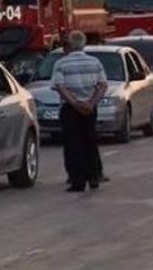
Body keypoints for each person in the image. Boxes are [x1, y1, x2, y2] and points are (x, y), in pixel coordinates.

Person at [52, 30, 107, 192]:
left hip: (70, 109)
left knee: (73, 144)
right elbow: (103, 85)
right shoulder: (95, 62)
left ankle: (78, 180)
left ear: (69, 44)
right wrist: (91, 103)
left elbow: (60, 87)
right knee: (90, 141)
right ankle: (94, 176)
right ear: (84, 44)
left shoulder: (61, 64)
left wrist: (75, 103)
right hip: (90, 108)